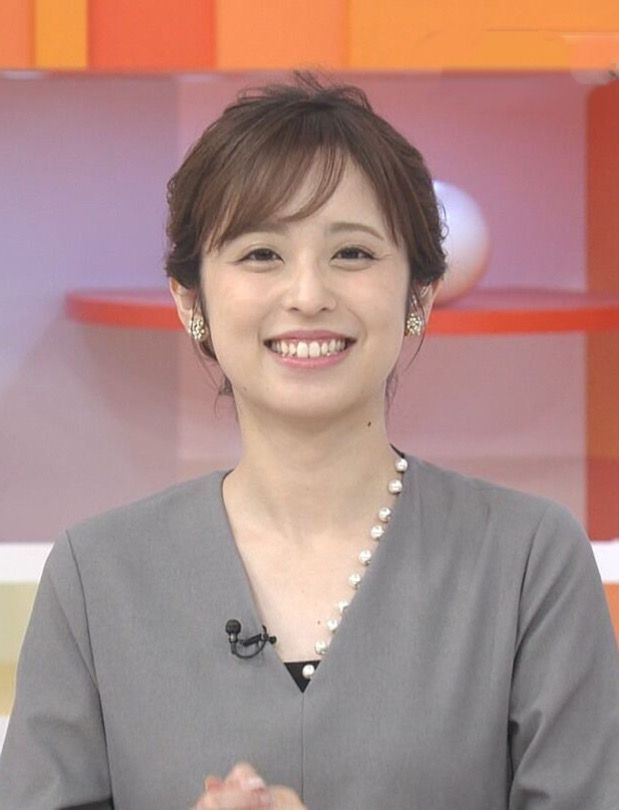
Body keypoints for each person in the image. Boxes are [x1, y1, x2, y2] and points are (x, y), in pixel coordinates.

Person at [0, 72, 617, 810]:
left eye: (351, 254)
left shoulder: (530, 562)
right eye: (261, 254)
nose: (307, 294)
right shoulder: (95, 576)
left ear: (419, 296)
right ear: (191, 301)